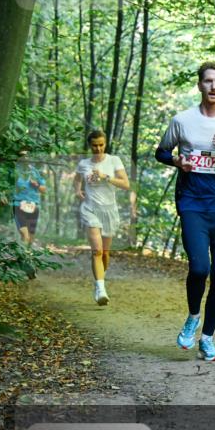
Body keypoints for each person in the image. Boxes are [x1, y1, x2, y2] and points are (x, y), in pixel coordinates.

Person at [155, 61, 215, 362]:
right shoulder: (182, 121)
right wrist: (177, 162)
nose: (213, 87)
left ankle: (207, 340)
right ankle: (192, 317)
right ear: (199, 86)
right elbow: (161, 151)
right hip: (192, 204)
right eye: (208, 81)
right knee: (200, 268)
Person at [74, 130, 129, 305]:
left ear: (105, 144)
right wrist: (77, 190)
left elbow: (126, 184)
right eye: (94, 145)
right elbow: (77, 179)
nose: (98, 148)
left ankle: (99, 281)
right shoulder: (83, 164)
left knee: (105, 253)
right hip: (90, 209)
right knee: (97, 250)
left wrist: (106, 177)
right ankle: (100, 289)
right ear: (89, 145)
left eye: (101, 145)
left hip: (109, 211)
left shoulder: (114, 161)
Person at [12, 151, 46, 247]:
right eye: (22, 156)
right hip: (18, 205)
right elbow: (5, 187)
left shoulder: (35, 172)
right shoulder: (14, 171)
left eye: (27, 156)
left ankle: (27, 255)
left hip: (33, 205)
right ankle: (24, 256)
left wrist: (36, 184)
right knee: (24, 234)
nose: (25, 158)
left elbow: (43, 190)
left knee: (31, 235)